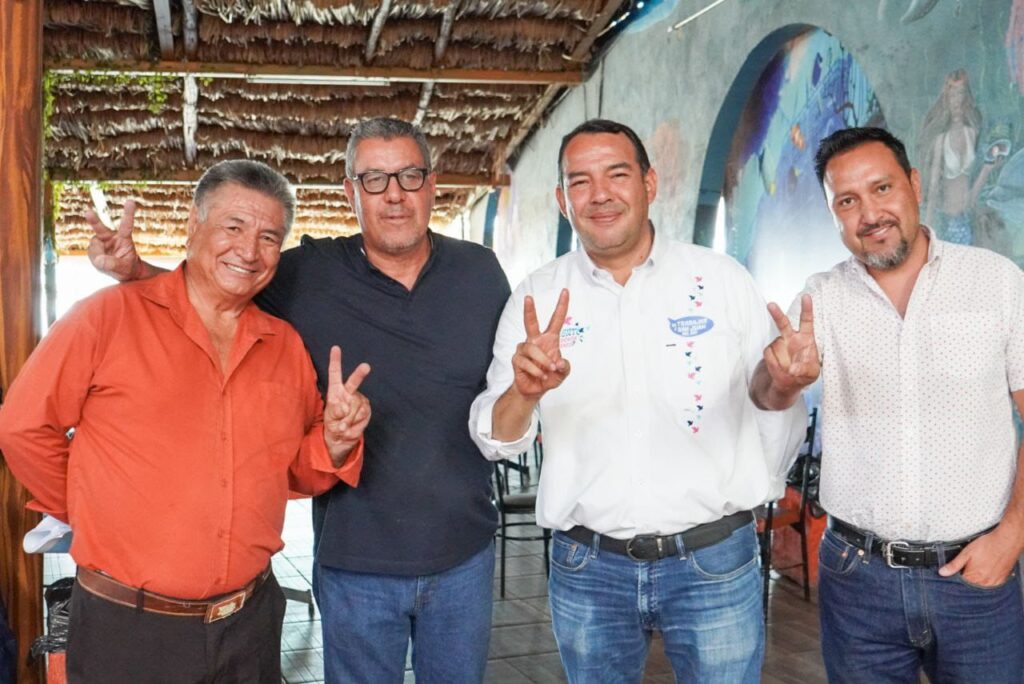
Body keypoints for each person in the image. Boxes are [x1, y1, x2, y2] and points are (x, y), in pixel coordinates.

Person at [85, 118, 510, 683]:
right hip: (356, 562)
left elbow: (509, 390)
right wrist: (133, 271)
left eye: (410, 176)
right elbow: (217, 288)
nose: (394, 194)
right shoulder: (308, 274)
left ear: (432, 184)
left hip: (465, 553)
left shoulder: (480, 272)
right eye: (374, 179)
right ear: (350, 192)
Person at [0, 160, 371, 684]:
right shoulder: (106, 316)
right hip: (129, 626)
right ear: (194, 225)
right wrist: (90, 508)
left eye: (269, 237)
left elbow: (295, 474)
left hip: (249, 624)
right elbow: (23, 427)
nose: (249, 250)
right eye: (233, 226)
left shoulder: (284, 345)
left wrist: (334, 441)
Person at [469, 119, 807, 683]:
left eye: (617, 174)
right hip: (588, 568)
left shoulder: (721, 280)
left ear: (650, 183)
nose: (599, 194)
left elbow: (767, 397)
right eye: (580, 181)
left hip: (714, 559)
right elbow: (496, 439)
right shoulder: (537, 296)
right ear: (562, 201)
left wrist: (763, 464)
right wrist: (523, 393)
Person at [751, 126, 1024, 683]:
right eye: (847, 201)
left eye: (882, 189)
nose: (870, 214)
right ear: (833, 214)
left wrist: (1012, 536)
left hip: (976, 575)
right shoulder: (821, 296)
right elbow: (765, 392)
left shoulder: (995, 281)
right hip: (858, 578)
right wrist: (780, 380)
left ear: (914, 184)